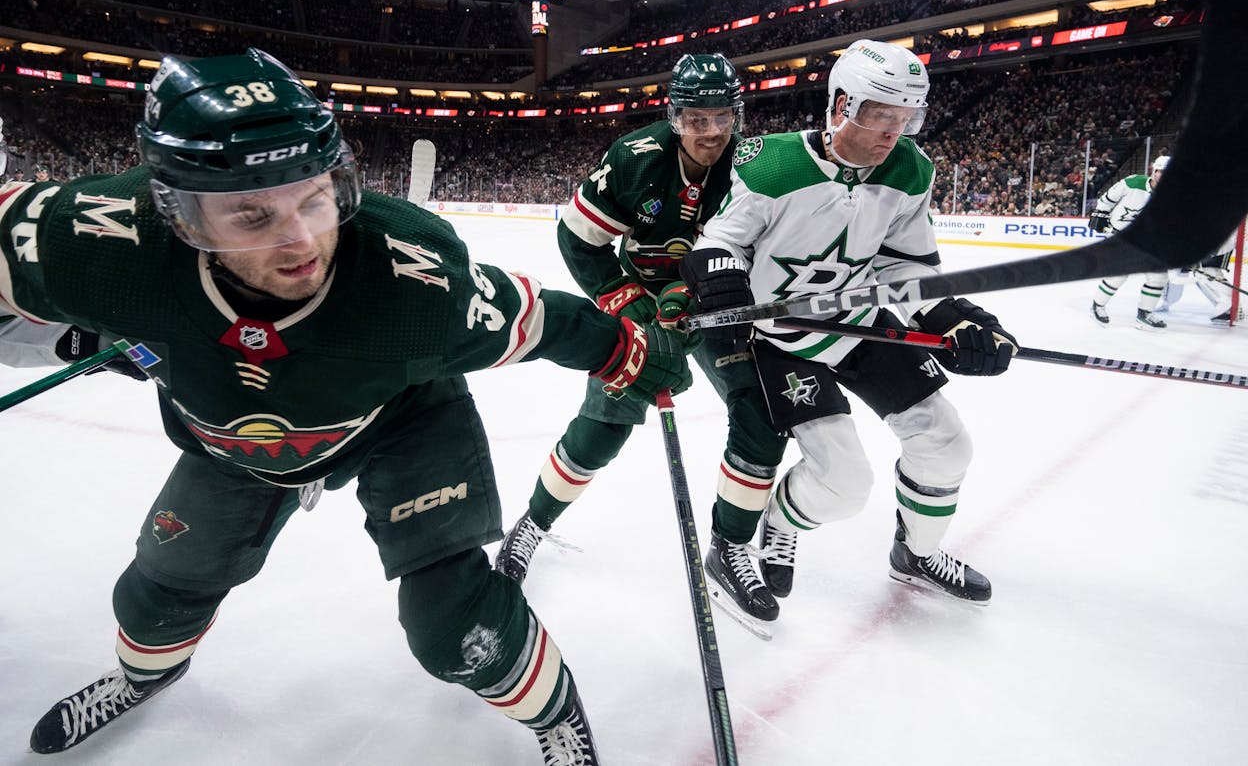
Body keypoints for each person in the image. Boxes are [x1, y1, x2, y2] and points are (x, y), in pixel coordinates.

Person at [0, 49, 693, 764]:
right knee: (157, 591)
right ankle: (144, 673)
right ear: (178, 214)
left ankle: (554, 715)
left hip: (400, 421)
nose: (302, 240)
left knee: (455, 627)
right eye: (250, 213)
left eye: (314, 195)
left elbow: (541, 320)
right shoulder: (100, 243)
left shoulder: (410, 284)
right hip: (237, 446)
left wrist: (631, 350)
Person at [679, 39, 1017, 633]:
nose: (893, 132)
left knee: (946, 441)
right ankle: (781, 524)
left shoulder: (911, 171)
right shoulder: (772, 162)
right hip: (783, 334)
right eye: (881, 115)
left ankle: (916, 552)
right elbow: (722, 240)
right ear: (840, 106)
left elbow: (906, 264)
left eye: (906, 118)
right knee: (845, 482)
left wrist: (950, 318)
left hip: (860, 321)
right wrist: (722, 275)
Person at [495, 54, 786, 612]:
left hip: (713, 305)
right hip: (640, 304)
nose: (710, 132)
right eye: (696, 119)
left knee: (762, 413)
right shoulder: (634, 159)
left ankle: (728, 546)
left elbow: (762, 245)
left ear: (737, 116)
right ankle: (533, 523)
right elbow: (579, 239)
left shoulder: (756, 167)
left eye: (721, 117)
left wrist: (700, 291)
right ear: (674, 117)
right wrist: (628, 303)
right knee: (604, 427)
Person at [1087, 154, 1171, 330]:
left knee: (1158, 277)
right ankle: (1097, 306)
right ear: (1154, 171)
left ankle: (1144, 314)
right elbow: (1108, 198)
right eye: (1161, 172)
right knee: (1119, 274)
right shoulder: (1133, 182)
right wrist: (1100, 213)